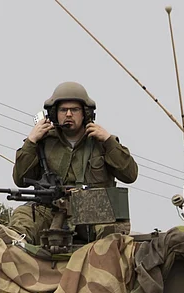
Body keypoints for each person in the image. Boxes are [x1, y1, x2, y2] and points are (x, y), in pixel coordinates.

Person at [9, 82, 139, 243]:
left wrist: (109, 141)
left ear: (85, 113)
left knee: (112, 236)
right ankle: (8, 244)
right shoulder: (43, 142)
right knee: (23, 218)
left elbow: (130, 175)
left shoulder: (101, 142)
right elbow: (20, 179)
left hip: (94, 211)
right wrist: (31, 141)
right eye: (63, 110)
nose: (68, 114)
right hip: (50, 209)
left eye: (75, 110)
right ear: (54, 113)